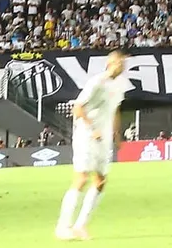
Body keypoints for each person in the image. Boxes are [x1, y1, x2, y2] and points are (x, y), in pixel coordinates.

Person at [55, 50, 128, 241]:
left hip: (104, 138)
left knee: (101, 181)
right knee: (81, 178)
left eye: (123, 63)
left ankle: (80, 225)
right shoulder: (97, 82)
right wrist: (92, 128)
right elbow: (78, 107)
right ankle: (63, 226)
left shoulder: (120, 84)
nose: (122, 66)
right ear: (109, 63)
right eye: (119, 63)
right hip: (86, 135)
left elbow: (116, 109)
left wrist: (117, 134)